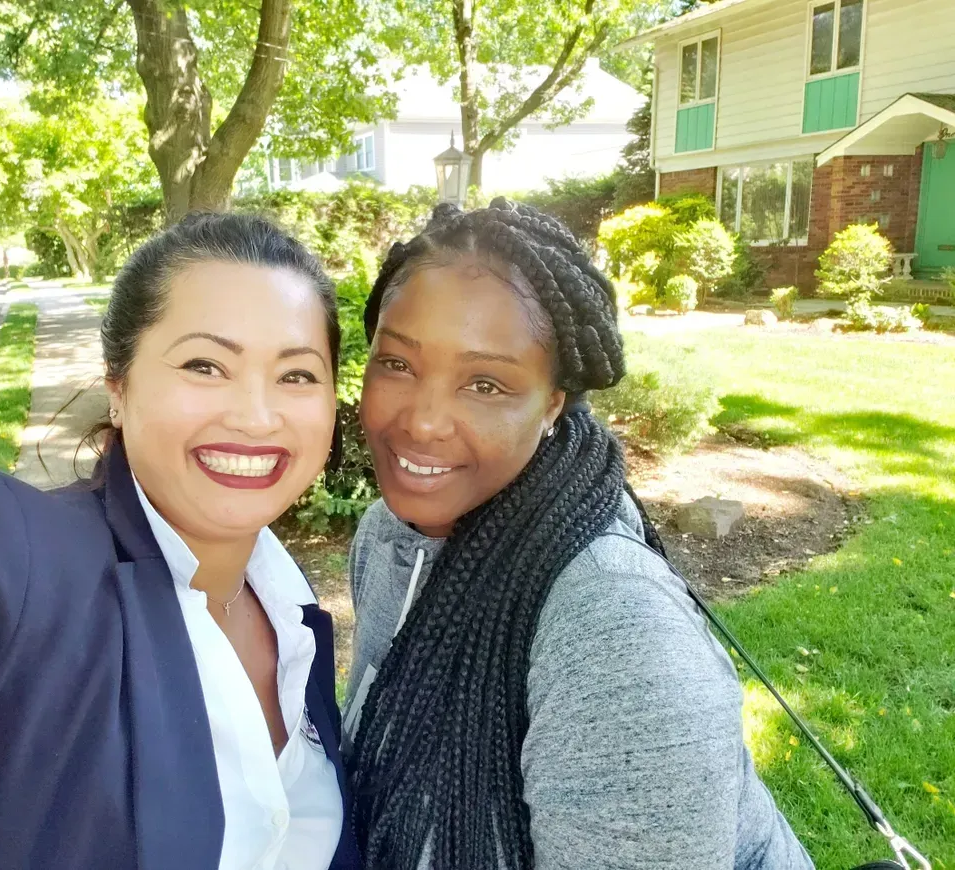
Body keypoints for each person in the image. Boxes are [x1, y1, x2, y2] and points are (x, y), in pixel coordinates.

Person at [0, 213, 361, 870]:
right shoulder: (8, 556)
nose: (256, 415)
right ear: (118, 389)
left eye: (296, 375)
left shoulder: (291, 613)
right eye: (205, 365)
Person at [342, 199, 814, 870]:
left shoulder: (618, 640)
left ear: (553, 403)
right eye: (397, 364)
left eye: (485, 383)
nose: (422, 422)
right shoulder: (387, 536)